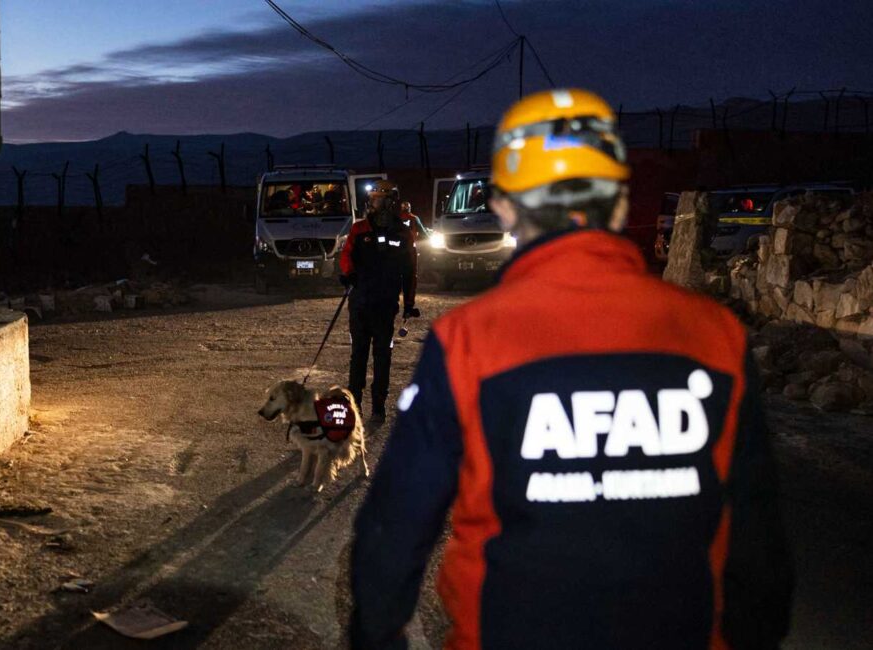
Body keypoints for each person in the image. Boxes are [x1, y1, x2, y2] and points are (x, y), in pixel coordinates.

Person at [350, 89, 791, 650]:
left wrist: (374, 636)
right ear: (618, 203)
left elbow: (395, 528)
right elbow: (760, 554)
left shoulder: (469, 343)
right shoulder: (716, 338)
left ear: (506, 205)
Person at [339, 180, 419, 426]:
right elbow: (345, 257)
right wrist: (348, 274)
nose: (377, 205)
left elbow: (410, 271)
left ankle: (379, 407)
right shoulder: (359, 229)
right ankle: (354, 406)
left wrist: (409, 304)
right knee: (358, 355)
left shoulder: (404, 233)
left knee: (383, 356)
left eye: (382, 200)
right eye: (374, 200)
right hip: (361, 303)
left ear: (392, 203)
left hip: (386, 305)